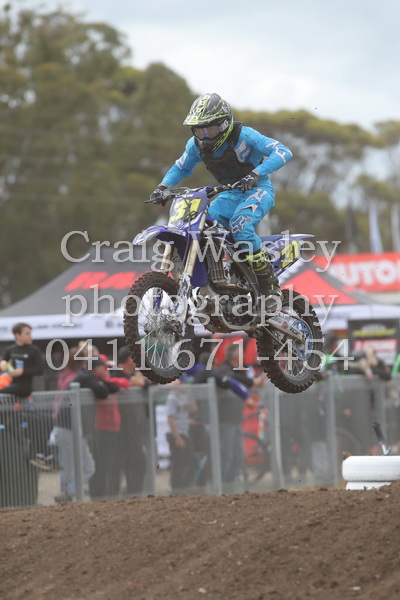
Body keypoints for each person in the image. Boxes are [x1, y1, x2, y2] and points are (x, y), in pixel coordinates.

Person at [149, 92, 293, 311]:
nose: (205, 136)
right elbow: (181, 167)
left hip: (257, 189)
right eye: (200, 131)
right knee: (201, 225)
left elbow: (283, 151)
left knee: (240, 226)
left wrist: (256, 174)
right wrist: (162, 187)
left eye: (210, 130)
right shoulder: (194, 145)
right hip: (228, 194)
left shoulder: (245, 136)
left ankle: (269, 287)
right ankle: (221, 274)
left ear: (224, 124)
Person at [71, 355, 121, 500]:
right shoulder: (87, 377)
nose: (105, 370)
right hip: (95, 428)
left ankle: (99, 496)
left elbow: (114, 387)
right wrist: (101, 382)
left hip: (97, 428)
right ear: (95, 368)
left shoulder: (92, 378)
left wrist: (102, 381)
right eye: (102, 367)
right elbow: (103, 392)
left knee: (101, 464)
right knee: (95, 465)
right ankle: (94, 496)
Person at [52, 347, 95, 504]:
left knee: (67, 464)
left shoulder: (63, 375)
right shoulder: (77, 377)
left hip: (60, 423)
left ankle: (66, 491)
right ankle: (70, 490)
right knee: (84, 465)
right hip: (71, 424)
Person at [109, 346, 149, 497]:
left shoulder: (132, 375)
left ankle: (133, 496)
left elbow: (148, 386)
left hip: (132, 431)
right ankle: (113, 499)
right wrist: (138, 382)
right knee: (116, 467)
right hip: (118, 431)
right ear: (128, 359)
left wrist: (141, 381)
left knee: (139, 464)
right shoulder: (115, 374)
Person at [166, 379, 197, 493]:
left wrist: (190, 394)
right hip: (176, 434)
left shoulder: (184, 396)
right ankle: (176, 489)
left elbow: (193, 409)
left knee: (190, 462)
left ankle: (184, 487)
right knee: (178, 464)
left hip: (185, 432)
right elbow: (170, 419)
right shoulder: (172, 398)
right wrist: (177, 438)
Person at [0, 322, 43, 398]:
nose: (30, 336)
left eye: (30, 333)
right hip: (12, 383)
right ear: (18, 335)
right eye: (27, 334)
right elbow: (4, 361)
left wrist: (22, 371)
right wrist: (3, 364)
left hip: (25, 387)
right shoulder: (10, 349)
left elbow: (40, 370)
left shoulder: (34, 350)